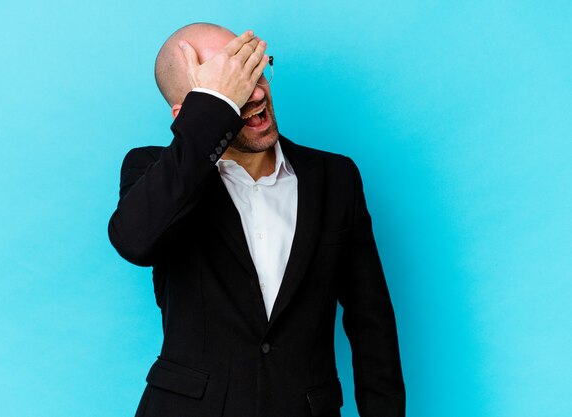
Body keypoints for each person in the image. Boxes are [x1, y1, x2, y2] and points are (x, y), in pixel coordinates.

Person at [108, 22, 405, 417]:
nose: (256, 92)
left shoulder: (336, 178)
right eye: (230, 83)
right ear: (187, 112)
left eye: (253, 69)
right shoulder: (152, 172)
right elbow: (133, 240)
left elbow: (373, 327)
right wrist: (214, 106)